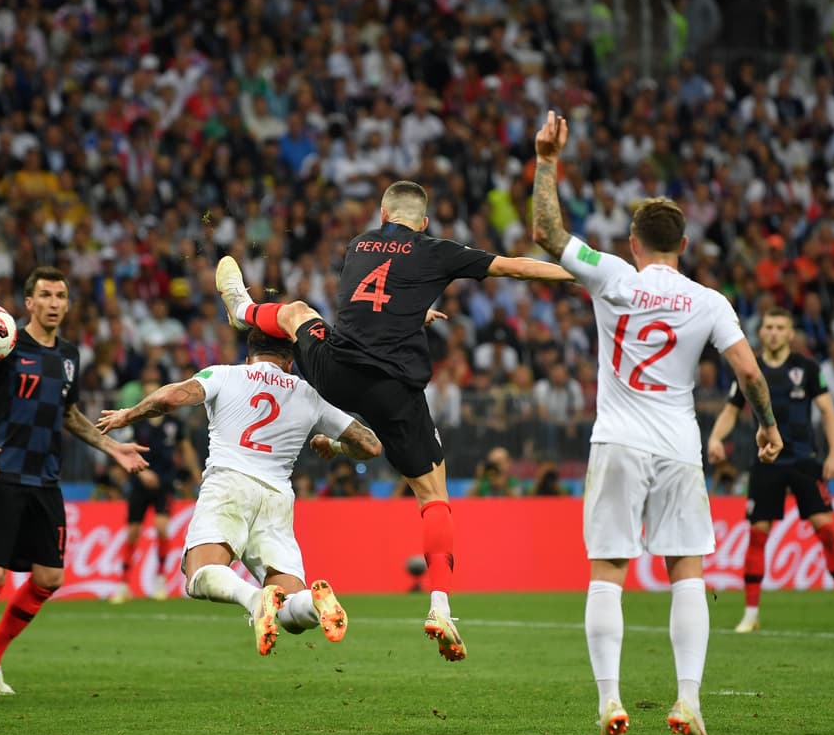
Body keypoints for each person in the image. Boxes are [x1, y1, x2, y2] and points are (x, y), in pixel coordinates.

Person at [213, 181, 571, 662]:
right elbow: (518, 267)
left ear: (383, 213)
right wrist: (583, 275)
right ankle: (440, 606)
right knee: (433, 498)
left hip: (337, 372)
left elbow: (372, 298)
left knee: (298, 312)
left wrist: (412, 313)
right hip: (394, 391)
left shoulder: (358, 244)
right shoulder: (436, 250)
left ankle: (244, 310)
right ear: (424, 223)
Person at [530, 111, 784, 735]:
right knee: (687, 572)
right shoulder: (709, 300)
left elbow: (547, 232)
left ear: (636, 242)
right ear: (684, 243)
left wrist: (548, 160)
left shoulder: (612, 274)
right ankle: (689, 699)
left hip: (616, 441)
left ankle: (610, 700)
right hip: (678, 448)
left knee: (608, 572)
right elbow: (751, 372)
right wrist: (767, 426)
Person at [96, 328, 382, 656]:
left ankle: (253, 599)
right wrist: (333, 445)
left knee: (198, 573)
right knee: (290, 609)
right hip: (277, 498)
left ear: (249, 357)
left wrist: (127, 414)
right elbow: (370, 445)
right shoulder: (308, 394)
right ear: (290, 362)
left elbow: (170, 398)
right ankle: (313, 604)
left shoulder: (225, 374)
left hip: (229, 485)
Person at [0, 266, 150, 701]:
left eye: (61, 295)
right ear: (29, 303)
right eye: (46, 295)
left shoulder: (70, 356)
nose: (55, 302)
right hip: (3, 475)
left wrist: (113, 449)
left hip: (45, 481)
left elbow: (70, 415)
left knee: (50, 577)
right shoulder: (2, 345)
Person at [707, 308, 834, 635]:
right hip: (766, 463)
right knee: (757, 535)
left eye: (781, 327)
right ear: (761, 331)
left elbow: (827, 411)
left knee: (826, 531)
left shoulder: (807, 368)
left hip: (804, 461)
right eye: (768, 326)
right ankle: (750, 615)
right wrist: (715, 437)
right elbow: (730, 410)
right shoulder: (750, 367)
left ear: (790, 332)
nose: (774, 332)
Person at [111, 368, 195, 603]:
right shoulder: (136, 423)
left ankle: (160, 582)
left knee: (161, 528)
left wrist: (196, 474)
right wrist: (143, 472)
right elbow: (126, 449)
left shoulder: (174, 424)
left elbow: (185, 448)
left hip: (165, 483)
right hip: (140, 482)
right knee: (132, 533)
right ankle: (123, 585)